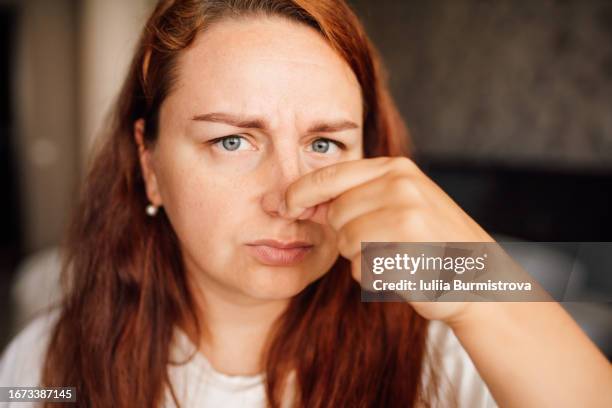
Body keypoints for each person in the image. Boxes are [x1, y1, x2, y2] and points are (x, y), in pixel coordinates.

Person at [1, 0, 611, 407]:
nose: (289, 198)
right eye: (231, 140)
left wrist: (478, 278)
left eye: (324, 142)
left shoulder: (441, 348)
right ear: (149, 164)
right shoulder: (49, 367)